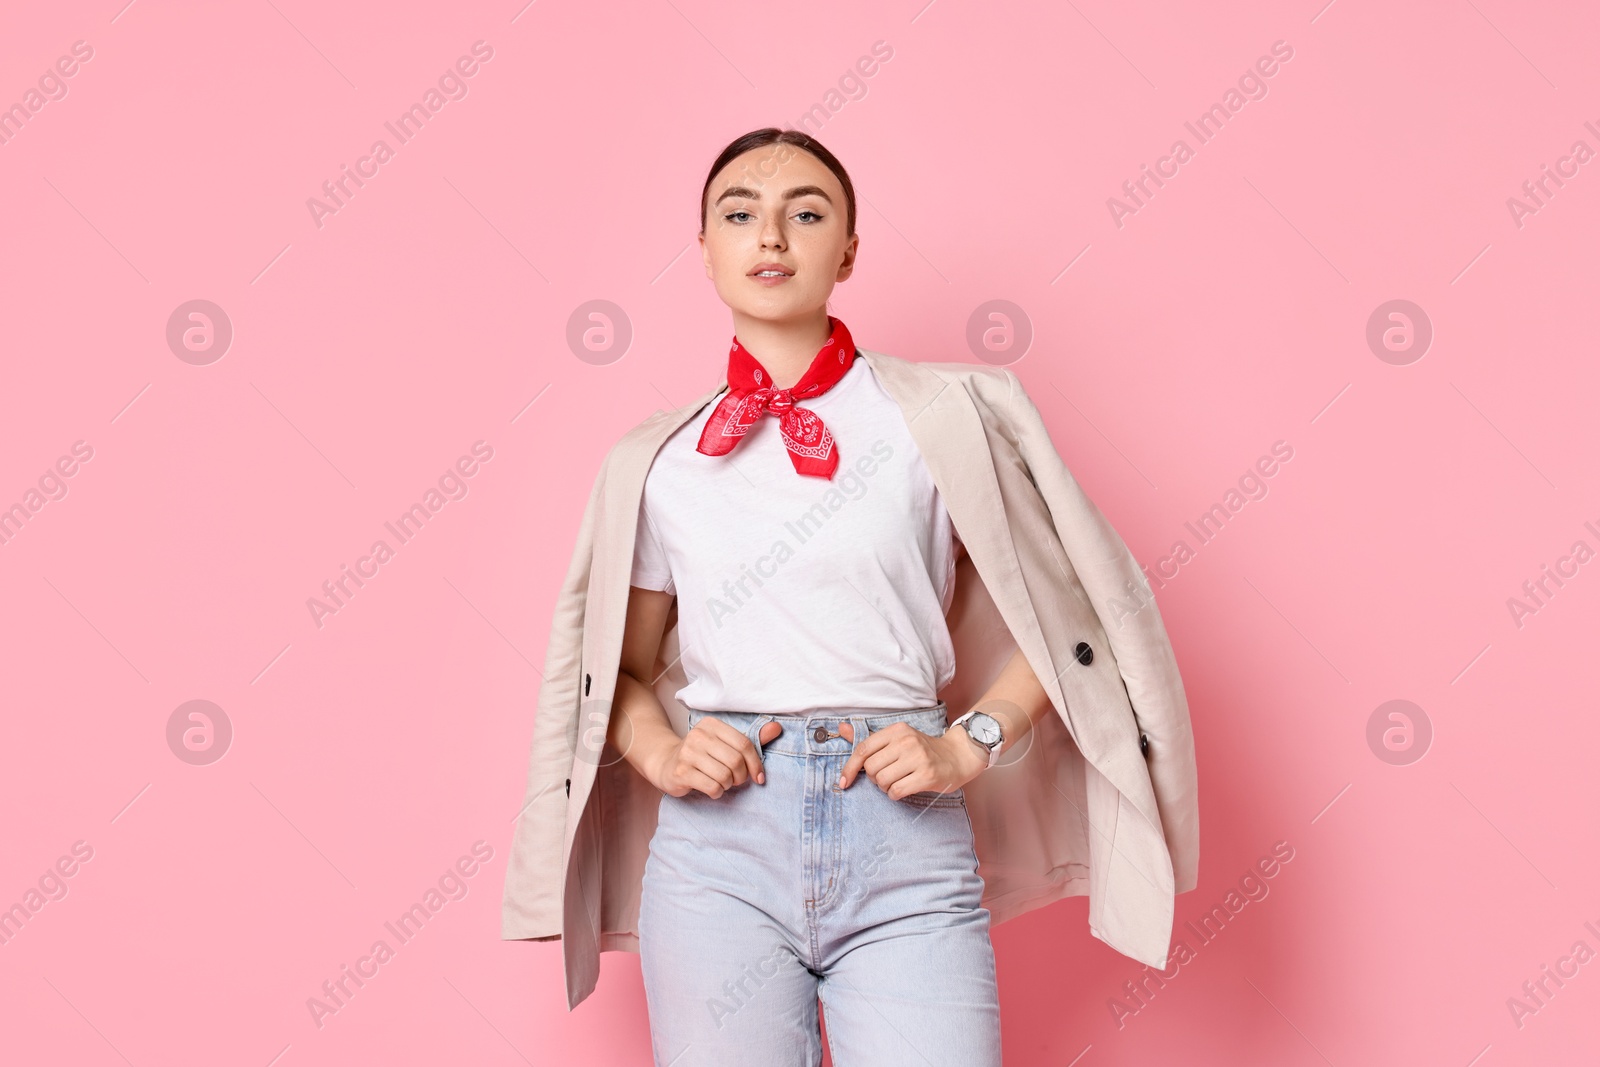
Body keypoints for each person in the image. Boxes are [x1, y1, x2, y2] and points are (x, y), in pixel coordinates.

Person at [610, 127, 1056, 1066]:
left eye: (805, 214)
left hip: (904, 842)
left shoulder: (935, 419)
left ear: (847, 250)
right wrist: (661, 752)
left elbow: (1071, 627)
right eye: (740, 214)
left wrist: (968, 745)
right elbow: (611, 671)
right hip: (718, 855)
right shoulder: (660, 462)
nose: (770, 236)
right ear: (705, 249)